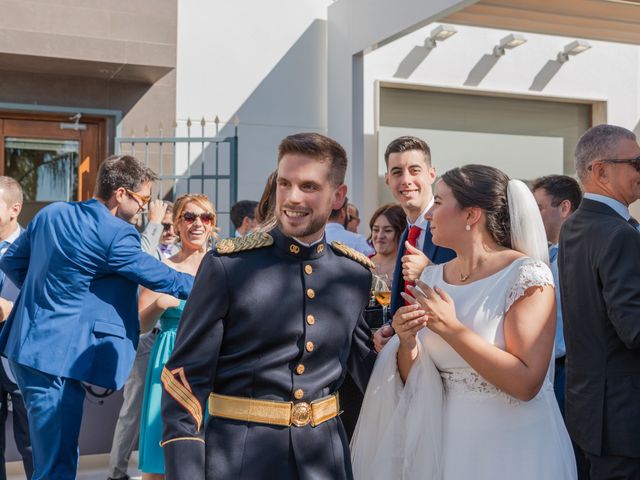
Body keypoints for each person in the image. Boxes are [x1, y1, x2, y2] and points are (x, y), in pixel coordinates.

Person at [160, 132, 377, 479]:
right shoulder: (228, 267)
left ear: (338, 196)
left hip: (326, 461)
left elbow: (368, 375)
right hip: (240, 460)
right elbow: (184, 381)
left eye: (309, 187)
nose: (292, 198)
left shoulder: (353, 275)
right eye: (284, 183)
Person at [352, 164, 576, 479]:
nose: (429, 214)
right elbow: (415, 376)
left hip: (511, 445)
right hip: (443, 442)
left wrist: (452, 329)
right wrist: (406, 341)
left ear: (471, 215)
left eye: (439, 202)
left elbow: (527, 383)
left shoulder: (527, 276)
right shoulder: (432, 277)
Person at [0, 155, 194, 480]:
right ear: (120, 193)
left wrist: (44, 298)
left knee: (56, 456)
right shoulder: (116, 233)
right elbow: (163, 278)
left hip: (28, 349)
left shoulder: (53, 213)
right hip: (56, 360)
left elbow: (14, 262)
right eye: (143, 199)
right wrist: (219, 283)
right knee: (57, 464)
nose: (145, 207)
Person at [559, 124, 640, 479]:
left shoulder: (575, 225)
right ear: (601, 170)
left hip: (588, 410)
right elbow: (634, 329)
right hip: (624, 418)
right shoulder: (618, 233)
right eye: (636, 162)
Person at [139, 194, 217, 479]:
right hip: (170, 357)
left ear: (212, 225)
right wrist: (160, 304)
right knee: (160, 451)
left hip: (214, 361)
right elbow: (141, 325)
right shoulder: (162, 268)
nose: (198, 223)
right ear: (177, 222)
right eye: (189, 217)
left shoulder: (223, 265)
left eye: (205, 217)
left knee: (210, 451)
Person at [107, 199, 178, 480]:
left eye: (173, 225)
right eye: (167, 225)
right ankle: (116, 472)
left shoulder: (180, 253)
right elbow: (142, 267)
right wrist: (154, 224)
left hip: (178, 340)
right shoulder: (141, 243)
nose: (170, 231)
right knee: (135, 409)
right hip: (147, 338)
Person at [374, 136, 455, 352]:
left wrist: (428, 271)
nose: (406, 180)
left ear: (431, 174)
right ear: (387, 180)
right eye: (397, 172)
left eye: (414, 170)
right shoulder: (406, 234)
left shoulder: (452, 228)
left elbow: (472, 291)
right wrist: (391, 330)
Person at [532, 175, 582, 417]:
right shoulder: (541, 256)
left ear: (564, 208)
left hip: (570, 371)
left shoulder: (583, 256)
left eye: (539, 208)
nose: (533, 216)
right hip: (544, 370)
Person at [0, 177, 32, 480]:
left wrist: (13, 310)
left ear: (15, 209)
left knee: (32, 443)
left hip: (23, 355)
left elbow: (51, 299)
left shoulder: (36, 248)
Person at [368, 203, 406, 280]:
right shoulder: (362, 265)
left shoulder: (407, 268)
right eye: (376, 230)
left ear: (401, 233)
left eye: (387, 230)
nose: (380, 236)